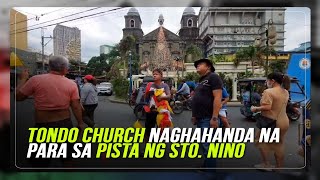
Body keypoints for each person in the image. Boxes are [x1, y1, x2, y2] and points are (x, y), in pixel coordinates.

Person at [16, 55, 85, 167]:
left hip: (43, 127)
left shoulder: (35, 80)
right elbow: (76, 106)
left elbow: (18, 97)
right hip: (65, 126)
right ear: (64, 68)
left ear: (50, 67)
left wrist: (22, 79)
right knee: (68, 159)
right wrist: (81, 123)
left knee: (40, 162)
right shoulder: (71, 84)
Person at [251, 72, 291, 170]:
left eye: (267, 80)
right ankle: (279, 167)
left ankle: (266, 164)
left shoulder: (269, 92)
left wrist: (255, 108)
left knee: (261, 141)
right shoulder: (286, 91)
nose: (266, 82)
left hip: (271, 121)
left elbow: (267, 107)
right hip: (284, 121)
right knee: (279, 143)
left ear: (272, 81)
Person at [191, 58, 223, 170]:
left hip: (208, 117)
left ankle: (211, 171)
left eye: (200, 64)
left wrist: (214, 117)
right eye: (196, 65)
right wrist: (194, 115)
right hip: (200, 118)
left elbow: (218, 97)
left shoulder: (214, 77)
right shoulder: (201, 80)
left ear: (208, 66)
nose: (197, 66)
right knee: (203, 143)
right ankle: (207, 165)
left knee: (207, 144)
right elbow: (198, 99)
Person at [144, 68, 171, 139]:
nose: (154, 76)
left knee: (162, 130)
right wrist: (148, 92)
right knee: (148, 129)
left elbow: (169, 96)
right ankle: (147, 146)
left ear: (161, 76)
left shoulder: (165, 86)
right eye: (153, 74)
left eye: (156, 74)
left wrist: (161, 98)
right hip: (151, 110)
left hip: (162, 111)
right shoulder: (149, 85)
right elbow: (146, 97)